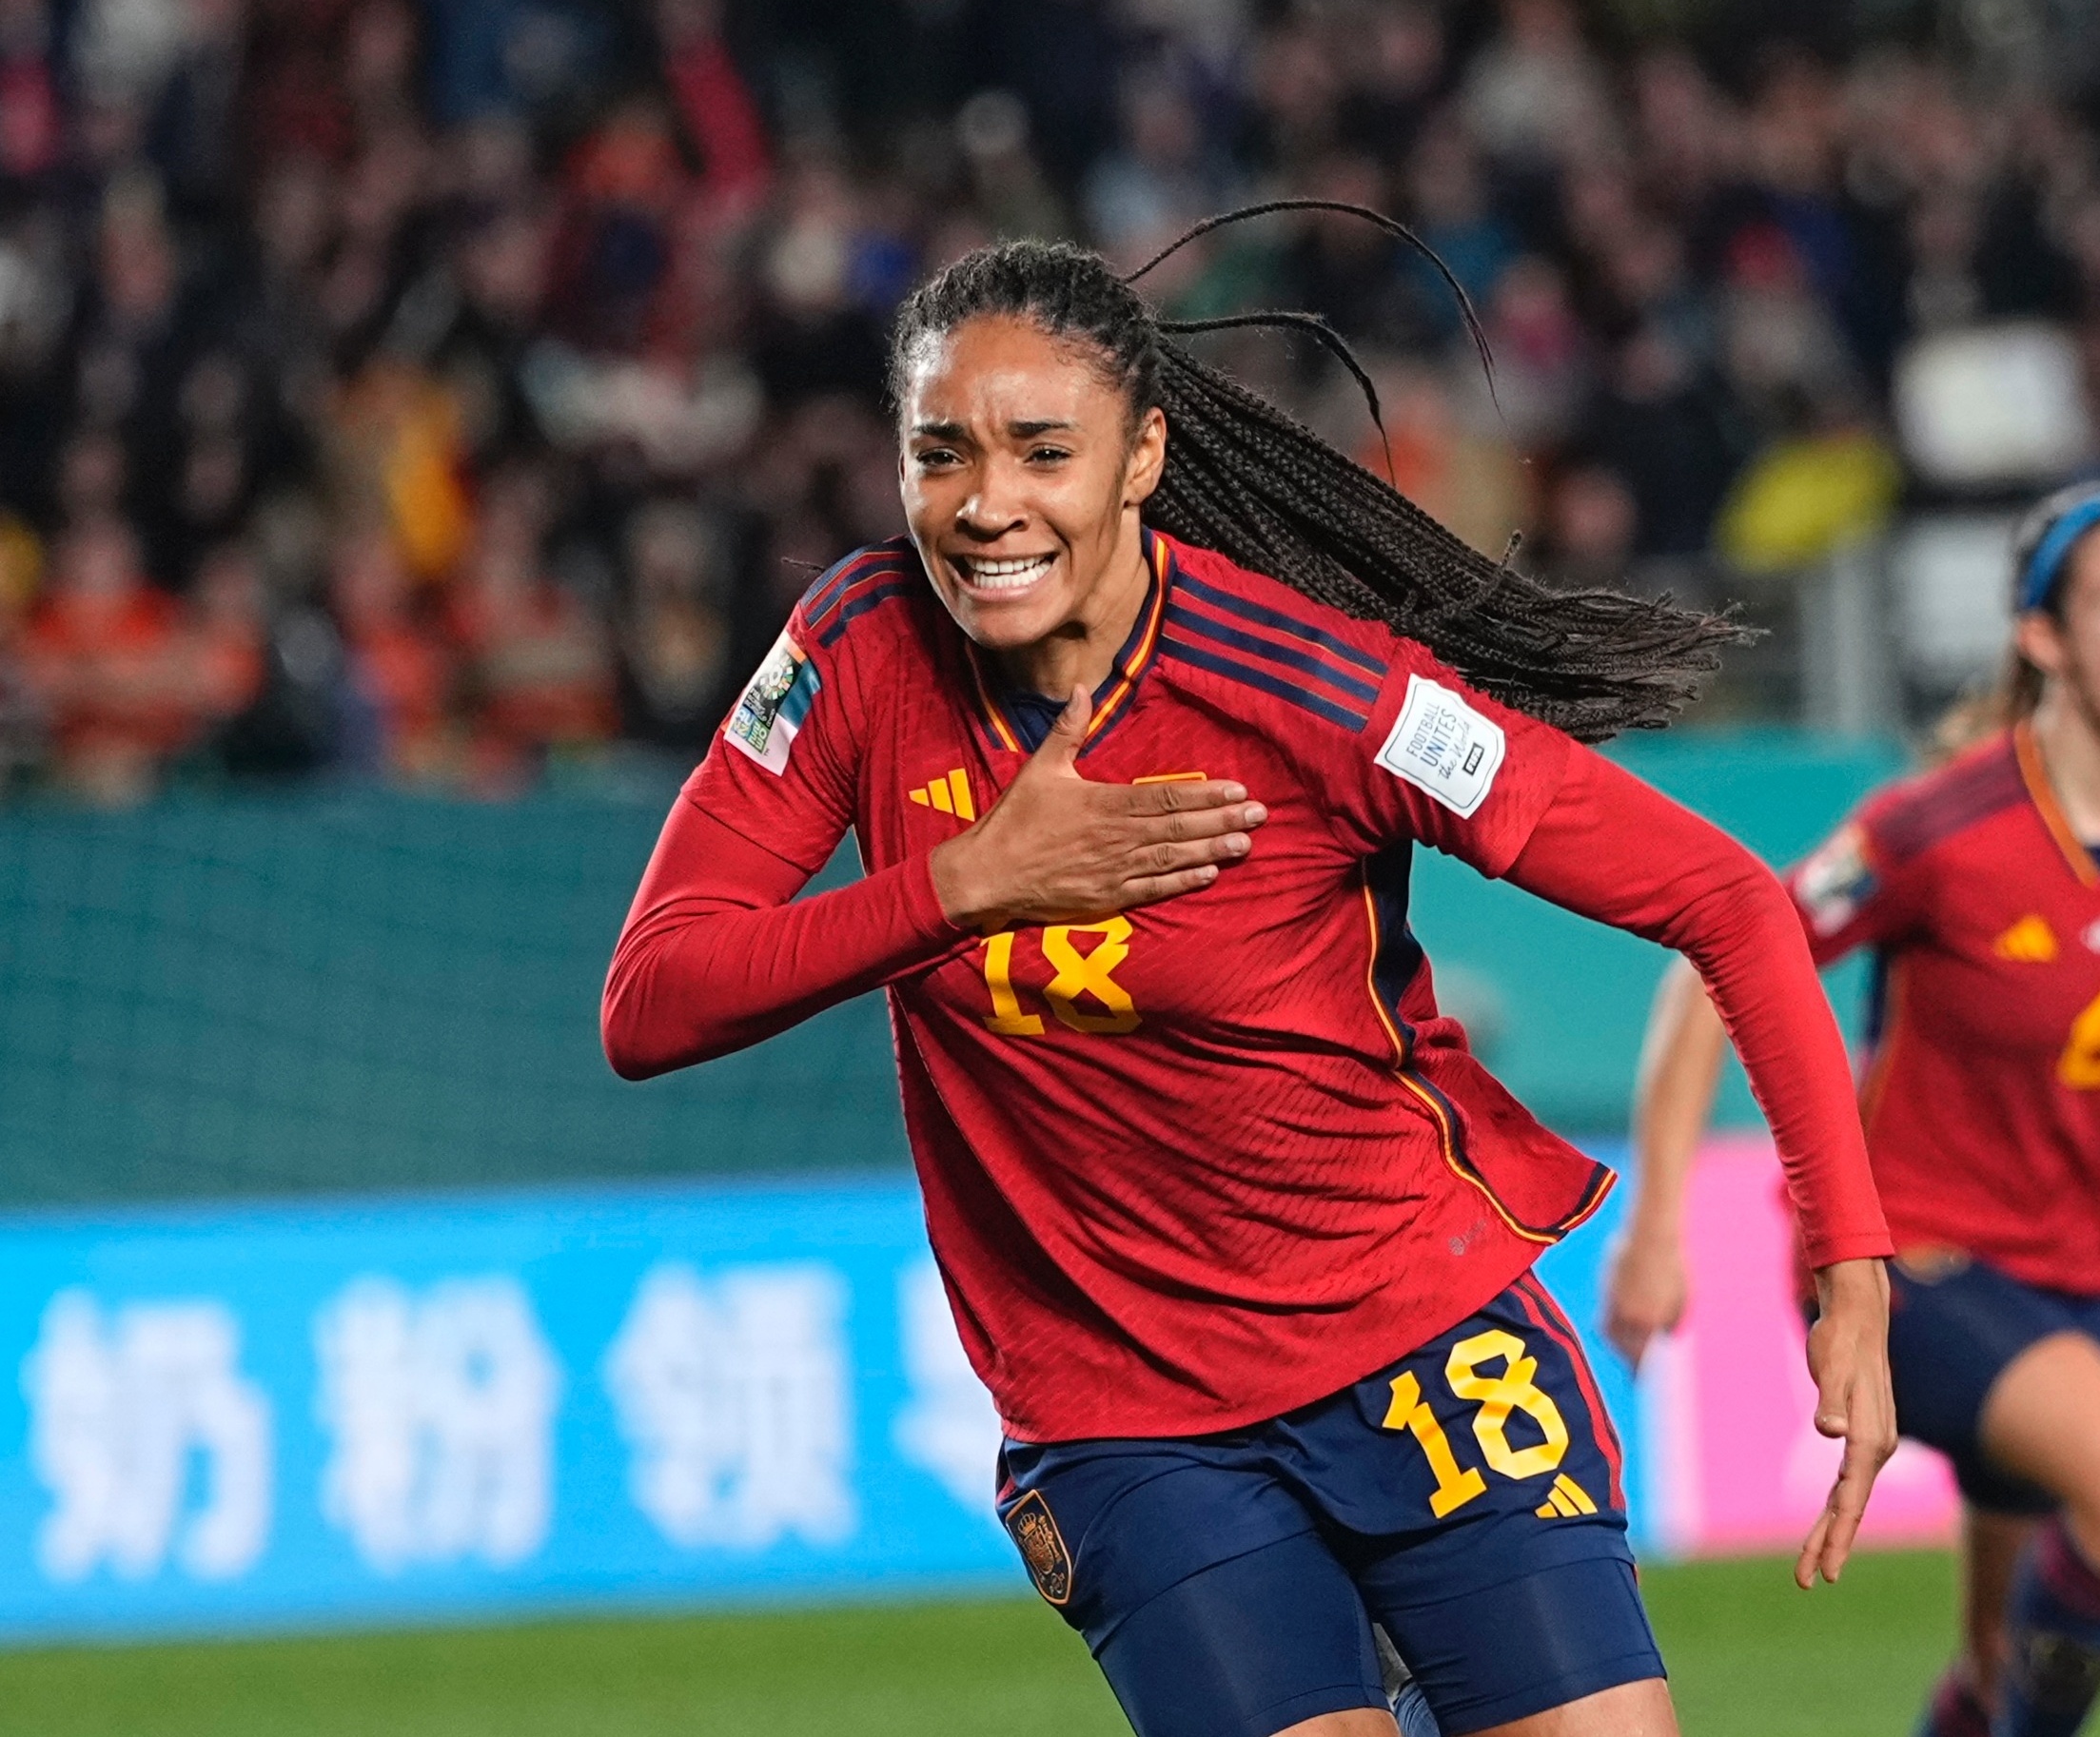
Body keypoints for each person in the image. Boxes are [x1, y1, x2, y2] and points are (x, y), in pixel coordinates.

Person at [602, 213, 1900, 1737]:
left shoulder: (1318, 690)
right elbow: (653, 1001)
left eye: (1040, 451)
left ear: (1141, 457)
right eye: (938, 453)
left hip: (1418, 1329)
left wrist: (1847, 1265)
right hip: (1126, 1411)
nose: (984, 505)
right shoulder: (855, 646)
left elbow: (1726, 901)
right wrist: (967, 886)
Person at [1600, 483, 2100, 1737]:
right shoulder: (1941, 828)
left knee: (1995, 1671)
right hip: (1906, 1265)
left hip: (2086, 1280)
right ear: (2046, 641)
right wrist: (1656, 1229)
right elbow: (1711, 968)